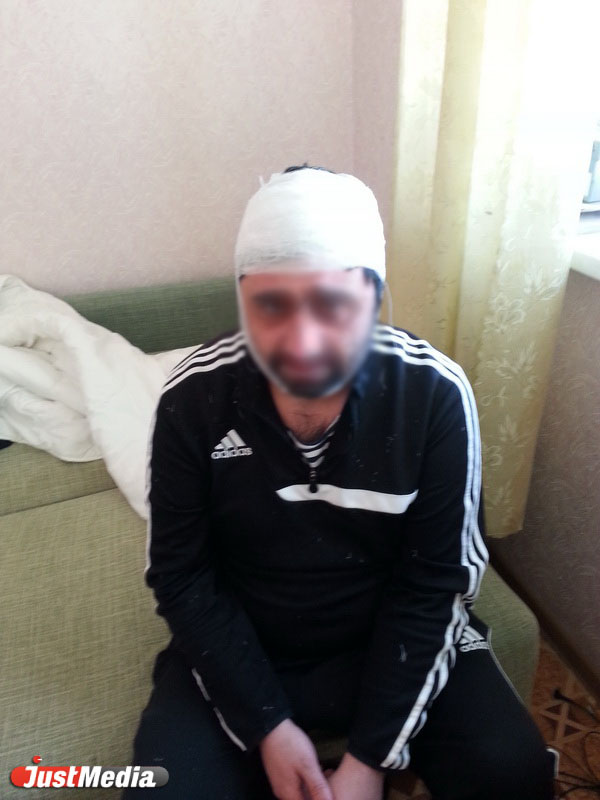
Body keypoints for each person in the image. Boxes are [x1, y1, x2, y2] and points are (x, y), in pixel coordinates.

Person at [123, 165, 556, 800]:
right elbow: (182, 576)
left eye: (333, 306)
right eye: (271, 306)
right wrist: (269, 727)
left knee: (511, 772)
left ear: (374, 301)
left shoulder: (432, 393)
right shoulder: (194, 398)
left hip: (390, 634)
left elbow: (437, 582)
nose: (303, 341)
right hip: (252, 636)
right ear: (241, 300)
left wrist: (372, 758)